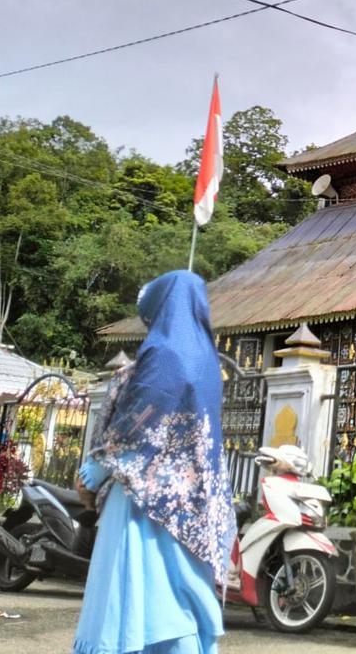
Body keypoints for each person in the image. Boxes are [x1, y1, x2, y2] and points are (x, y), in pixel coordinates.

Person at [73, 270, 236, 654]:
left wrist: (99, 467)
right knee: (183, 596)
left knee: (140, 599)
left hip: (147, 500)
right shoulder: (207, 361)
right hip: (194, 503)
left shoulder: (162, 354)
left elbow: (140, 421)